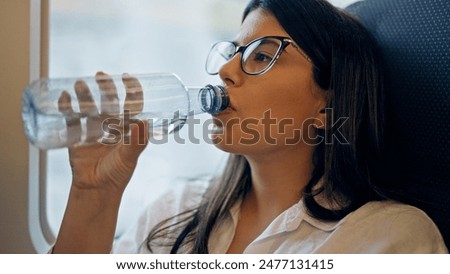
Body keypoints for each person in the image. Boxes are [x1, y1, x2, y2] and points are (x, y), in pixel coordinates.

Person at [52, 0, 448, 254]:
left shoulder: (389, 239)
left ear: (328, 104)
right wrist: (95, 194)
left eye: (262, 56)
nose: (225, 71)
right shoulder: (174, 210)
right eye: (231, 53)